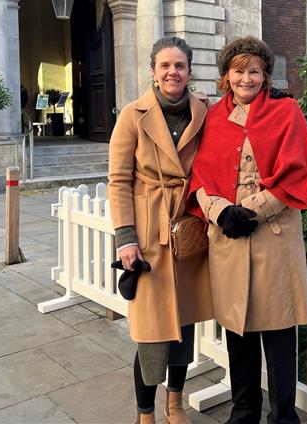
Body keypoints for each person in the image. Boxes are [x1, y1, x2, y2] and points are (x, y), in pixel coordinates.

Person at [188, 37, 307, 424]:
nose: (247, 78)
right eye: (239, 70)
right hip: (227, 234)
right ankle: (244, 411)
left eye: (254, 71)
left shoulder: (286, 111)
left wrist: (252, 211)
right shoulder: (213, 117)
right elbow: (200, 174)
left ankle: (283, 416)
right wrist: (221, 212)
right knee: (237, 328)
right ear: (227, 75)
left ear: (265, 75)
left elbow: (297, 171)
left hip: (272, 233)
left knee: (278, 333)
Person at [108, 36, 213, 424]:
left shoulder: (203, 111)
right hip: (149, 232)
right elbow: (118, 180)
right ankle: (145, 413)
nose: (173, 72)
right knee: (151, 332)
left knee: (183, 326)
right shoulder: (133, 114)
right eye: (165, 65)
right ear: (153, 70)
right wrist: (126, 239)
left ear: (189, 71)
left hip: (185, 228)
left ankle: (176, 404)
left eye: (180, 66)